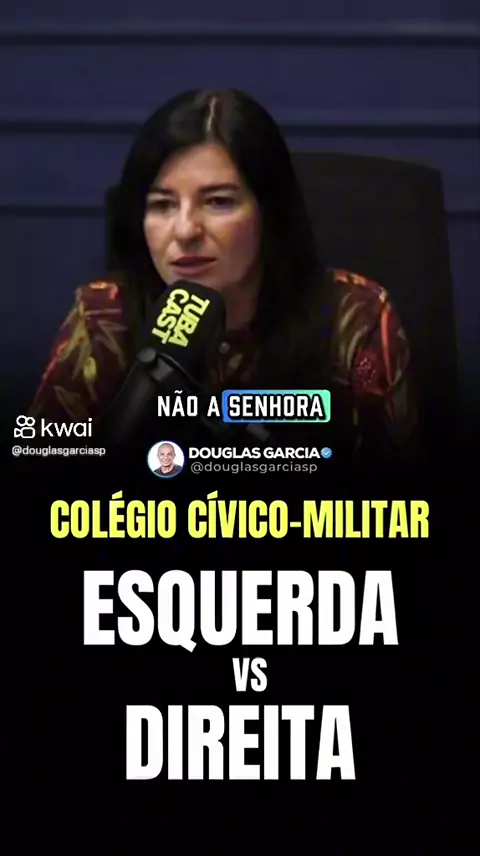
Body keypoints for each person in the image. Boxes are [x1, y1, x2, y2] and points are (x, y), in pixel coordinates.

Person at [29, 88, 418, 464]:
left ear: (270, 213)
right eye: (162, 205)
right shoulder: (102, 318)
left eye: (218, 202)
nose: (185, 231)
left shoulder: (354, 318)